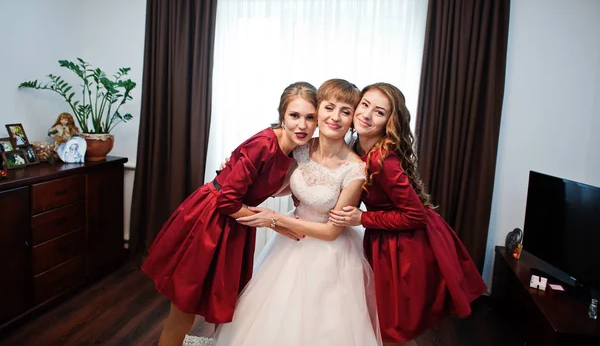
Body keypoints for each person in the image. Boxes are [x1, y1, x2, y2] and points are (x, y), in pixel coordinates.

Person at [142, 82, 318, 346]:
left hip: (236, 222)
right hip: (211, 220)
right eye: (295, 116)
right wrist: (274, 222)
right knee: (184, 306)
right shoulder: (264, 145)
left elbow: (275, 186)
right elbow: (227, 201)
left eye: (310, 117)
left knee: (212, 299)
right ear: (282, 115)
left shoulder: (295, 149)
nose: (302, 125)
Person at [213, 79, 382, 346]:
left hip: (330, 253)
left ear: (353, 119)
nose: (335, 117)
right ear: (319, 111)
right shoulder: (302, 148)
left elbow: (331, 232)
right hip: (289, 243)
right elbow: (278, 185)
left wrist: (276, 219)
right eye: (329, 107)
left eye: (345, 111)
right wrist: (233, 164)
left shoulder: (355, 169)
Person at [330, 83, 487, 346]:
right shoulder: (357, 147)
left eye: (379, 112)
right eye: (365, 105)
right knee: (383, 322)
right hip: (388, 236)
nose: (367, 115)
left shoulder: (383, 160)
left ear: (388, 123)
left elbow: (415, 215)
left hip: (409, 244)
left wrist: (363, 218)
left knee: (392, 326)